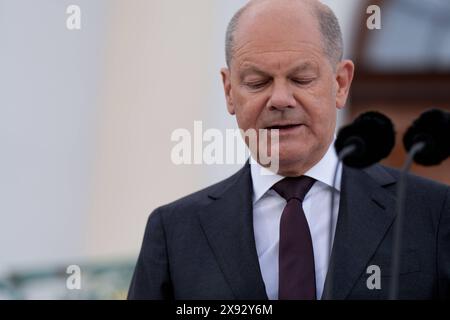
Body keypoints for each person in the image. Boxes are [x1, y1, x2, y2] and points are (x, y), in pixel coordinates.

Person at [128, 0, 450, 299]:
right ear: (229, 91)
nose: (280, 99)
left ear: (340, 84)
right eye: (257, 82)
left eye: (301, 78)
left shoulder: (433, 214)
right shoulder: (174, 233)